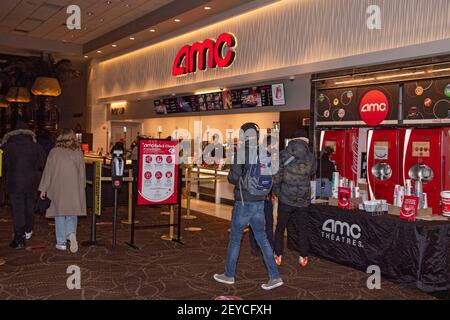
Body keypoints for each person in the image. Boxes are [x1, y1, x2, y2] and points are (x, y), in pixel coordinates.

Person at [214, 123, 283, 290]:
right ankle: (275, 276)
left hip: (244, 203)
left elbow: (233, 178)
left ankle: (229, 275)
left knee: (236, 239)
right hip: (260, 202)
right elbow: (273, 174)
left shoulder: (241, 152)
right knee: (263, 239)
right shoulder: (264, 152)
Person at [38, 129, 86, 252]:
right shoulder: (78, 152)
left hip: (57, 187)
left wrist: (43, 189)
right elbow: (82, 173)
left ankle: (61, 242)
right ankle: (71, 233)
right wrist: (82, 187)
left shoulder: (54, 152)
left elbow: (48, 172)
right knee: (72, 212)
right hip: (74, 187)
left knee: (59, 214)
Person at [273, 131, 315, 268]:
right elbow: (313, 172)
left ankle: (278, 254)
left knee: (280, 227)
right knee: (303, 227)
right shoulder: (311, 155)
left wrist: (277, 191)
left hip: (286, 197)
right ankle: (303, 256)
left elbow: (277, 175)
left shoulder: (283, 153)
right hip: (304, 198)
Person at [1, 120, 46, 249]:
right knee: (29, 207)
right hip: (32, 182)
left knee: (18, 209)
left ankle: (19, 237)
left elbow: (2, 166)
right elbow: (42, 163)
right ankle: (28, 230)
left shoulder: (7, 146)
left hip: (14, 182)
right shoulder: (35, 146)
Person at [248, 135, 274, 256]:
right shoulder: (268, 158)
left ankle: (255, 247)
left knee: (255, 222)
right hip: (264, 196)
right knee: (267, 222)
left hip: (255, 195)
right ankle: (267, 247)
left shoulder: (254, 155)